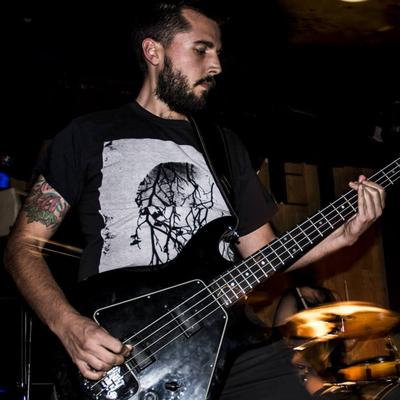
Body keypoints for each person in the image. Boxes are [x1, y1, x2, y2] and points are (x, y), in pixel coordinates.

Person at [3, 2, 386, 399]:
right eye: (202, 50)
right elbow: (22, 247)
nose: (216, 65)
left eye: (217, 52)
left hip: (228, 341)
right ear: (154, 52)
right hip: (126, 347)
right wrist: (68, 325)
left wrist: (344, 235)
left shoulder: (225, 147)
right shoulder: (88, 134)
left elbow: (264, 255)